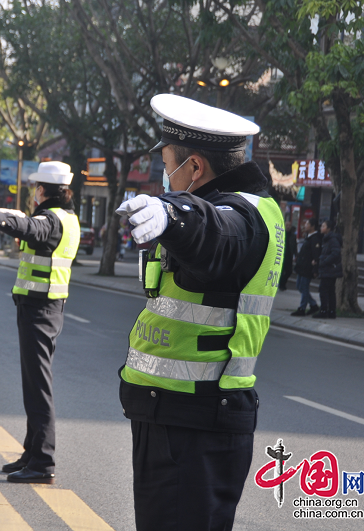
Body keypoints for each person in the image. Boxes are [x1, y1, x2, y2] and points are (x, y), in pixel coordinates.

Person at [114, 94, 283, 531]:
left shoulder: (241, 214)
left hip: (193, 428)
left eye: (167, 163)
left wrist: (173, 212)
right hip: (176, 417)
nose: (162, 175)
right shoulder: (245, 206)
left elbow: (215, 229)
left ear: (194, 167)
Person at [0, 161, 80, 485]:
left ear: (42, 190)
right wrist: (13, 218)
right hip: (43, 308)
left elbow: (32, 230)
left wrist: (3, 221)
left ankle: (43, 462)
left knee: (38, 388)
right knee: (32, 385)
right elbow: (32, 226)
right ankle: (31, 453)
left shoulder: (50, 220)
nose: (33, 193)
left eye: (35, 187)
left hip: (40, 310)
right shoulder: (65, 217)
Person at [291, 218, 322, 316]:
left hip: (308, 267)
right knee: (299, 286)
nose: (305, 225)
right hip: (302, 266)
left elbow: (316, 255)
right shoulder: (308, 237)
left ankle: (302, 308)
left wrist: (315, 268)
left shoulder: (315, 238)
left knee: (304, 287)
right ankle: (313, 304)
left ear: (313, 226)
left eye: (307, 223)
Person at [313, 219, 342, 319]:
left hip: (330, 269)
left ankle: (324, 310)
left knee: (324, 290)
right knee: (329, 291)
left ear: (328, 229)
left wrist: (324, 262)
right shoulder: (326, 239)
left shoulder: (332, 240)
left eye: (323, 226)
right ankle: (331, 311)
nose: (321, 228)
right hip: (328, 269)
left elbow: (335, 253)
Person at [278, 221, 297, 290]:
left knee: (289, 271)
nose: (288, 227)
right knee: (282, 271)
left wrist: (296, 254)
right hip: (282, 255)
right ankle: (282, 285)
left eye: (289, 225)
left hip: (289, 256)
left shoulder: (293, 235)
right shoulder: (281, 234)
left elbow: (294, 246)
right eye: (287, 225)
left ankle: (283, 282)